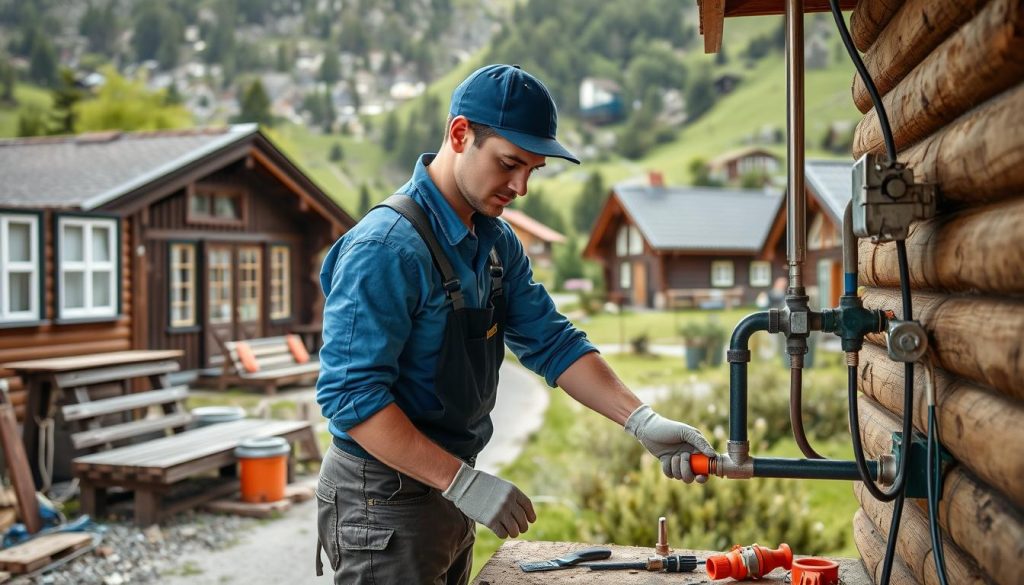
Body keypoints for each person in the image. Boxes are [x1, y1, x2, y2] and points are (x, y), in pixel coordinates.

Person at [315, 64, 715, 584]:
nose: (521, 186)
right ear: (460, 134)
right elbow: (352, 398)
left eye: (533, 169)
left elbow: (552, 343)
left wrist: (641, 421)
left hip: (450, 487)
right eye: (509, 163)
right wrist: (462, 483)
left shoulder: (496, 243)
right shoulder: (386, 248)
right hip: (380, 502)